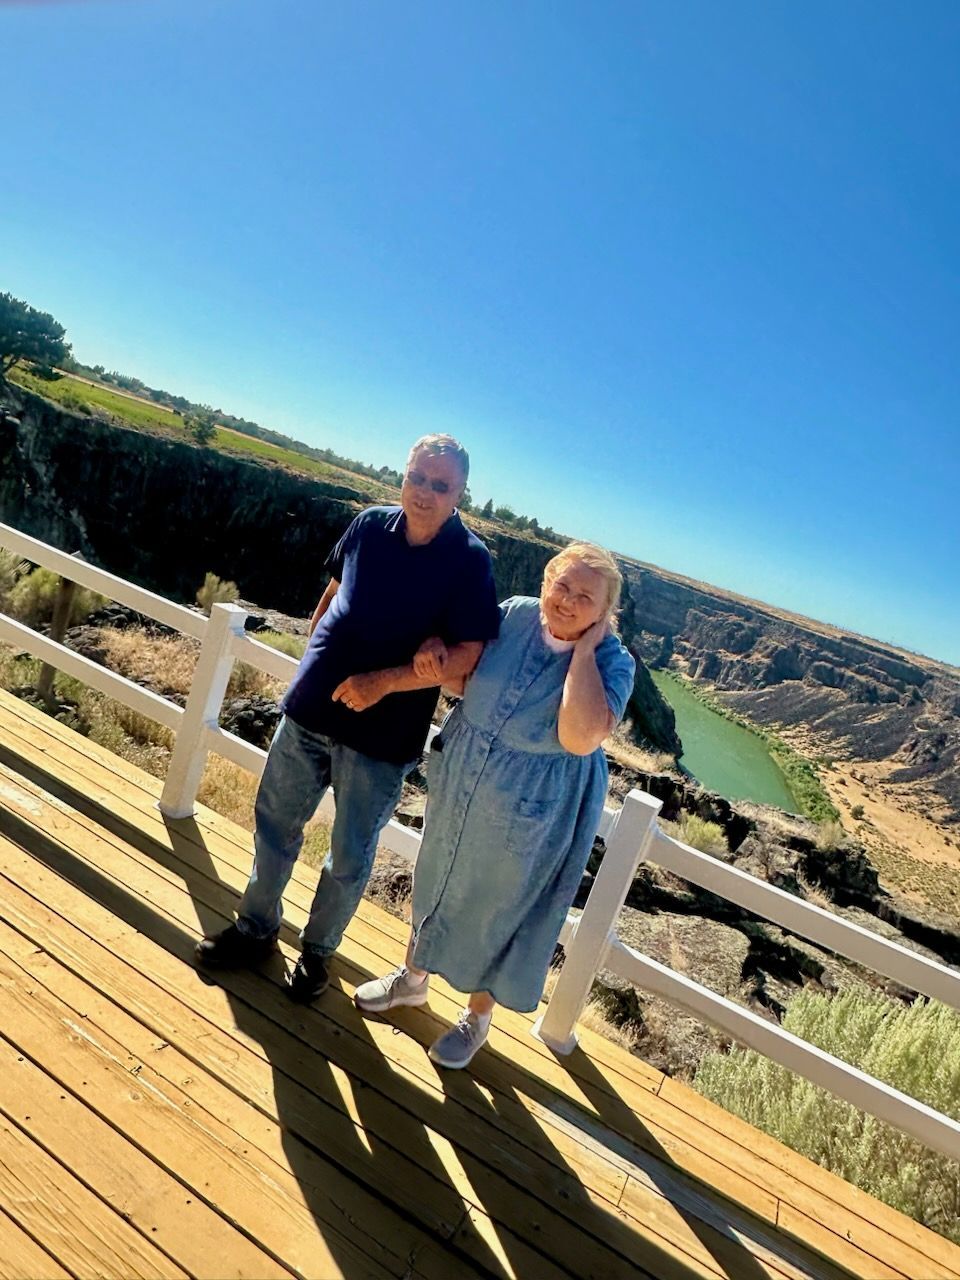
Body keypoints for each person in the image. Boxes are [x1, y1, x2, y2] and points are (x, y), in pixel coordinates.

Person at [195, 434, 500, 1001]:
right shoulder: (368, 526)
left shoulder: (470, 561)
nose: (425, 493)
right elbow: (334, 592)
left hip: (381, 737)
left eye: (441, 485)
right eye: (418, 478)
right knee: (274, 824)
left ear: (461, 494)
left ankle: (316, 956)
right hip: (310, 709)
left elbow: (470, 655)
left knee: (349, 855)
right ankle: (254, 930)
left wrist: (383, 681)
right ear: (402, 474)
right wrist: (314, 658)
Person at [354, 542, 636, 1069]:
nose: (568, 601)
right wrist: (436, 647)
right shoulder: (512, 614)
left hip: (534, 803)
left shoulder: (613, 662)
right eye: (561, 585)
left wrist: (581, 652)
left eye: (585, 597)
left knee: (500, 904)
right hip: (466, 772)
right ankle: (412, 980)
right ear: (545, 581)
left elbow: (579, 737)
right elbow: (464, 677)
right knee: (436, 874)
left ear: (604, 612)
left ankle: (476, 1018)